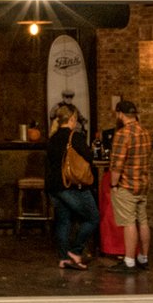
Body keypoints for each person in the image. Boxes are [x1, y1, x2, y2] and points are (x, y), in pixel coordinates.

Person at [46, 101, 97, 268]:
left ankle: (63, 258)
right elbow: (89, 156)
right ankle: (75, 252)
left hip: (54, 188)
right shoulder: (74, 137)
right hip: (71, 186)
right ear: (73, 119)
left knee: (63, 222)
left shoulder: (52, 138)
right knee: (93, 218)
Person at [109, 96, 151, 270]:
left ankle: (129, 261)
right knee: (143, 221)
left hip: (126, 185)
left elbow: (117, 164)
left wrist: (113, 184)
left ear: (120, 114)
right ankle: (143, 258)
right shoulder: (145, 132)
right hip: (142, 183)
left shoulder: (122, 134)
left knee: (129, 222)